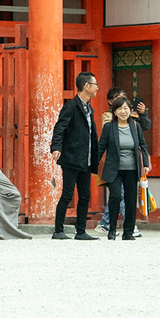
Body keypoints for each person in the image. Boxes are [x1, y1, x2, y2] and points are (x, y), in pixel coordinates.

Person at [49, 70, 101, 240]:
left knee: (85, 195)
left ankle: (81, 231)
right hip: (71, 158)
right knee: (67, 194)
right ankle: (58, 230)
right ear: (86, 86)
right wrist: (56, 147)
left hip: (85, 159)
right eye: (95, 85)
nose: (97, 88)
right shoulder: (71, 106)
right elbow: (60, 128)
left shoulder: (89, 108)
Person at [98, 87, 150, 236]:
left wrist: (146, 164)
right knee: (115, 197)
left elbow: (143, 145)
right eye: (119, 109)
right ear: (114, 111)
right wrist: (94, 165)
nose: (123, 111)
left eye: (126, 108)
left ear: (130, 110)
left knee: (130, 200)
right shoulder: (109, 127)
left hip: (132, 169)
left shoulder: (135, 126)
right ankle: (112, 229)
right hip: (114, 169)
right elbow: (101, 147)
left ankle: (128, 232)